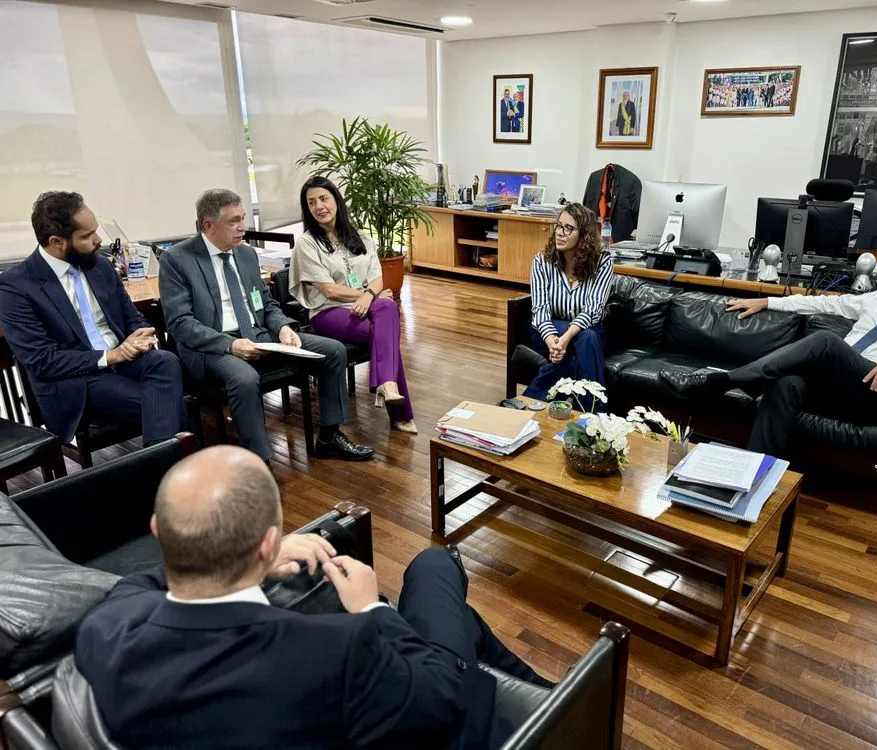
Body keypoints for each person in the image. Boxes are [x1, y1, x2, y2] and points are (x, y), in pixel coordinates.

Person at [75, 445, 554, 750]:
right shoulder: (337, 652)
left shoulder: (107, 629)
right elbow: (443, 698)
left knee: (458, 613)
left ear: (159, 532)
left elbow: (138, 585)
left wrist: (254, 562)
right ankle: (564, 704)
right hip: (445, 710)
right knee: (434, 567)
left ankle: (552, 694)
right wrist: (371, 610)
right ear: (267, 542)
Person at [659, 240, 877, 459]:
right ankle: (755, 472)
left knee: (827, 342)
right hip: (845, 384)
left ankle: (720, 382)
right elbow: (828, 304)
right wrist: (767, 300)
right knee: (784, 384)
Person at [158, 189, 374, 463]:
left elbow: (267, 304)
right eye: (234, 221)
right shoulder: (178, 260)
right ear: (208, 226)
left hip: (260, 334)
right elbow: (180, 323)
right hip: (215, 347)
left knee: (333, 351)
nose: (242, 227)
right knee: (245, 379)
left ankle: (329, 437)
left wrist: (284, 327)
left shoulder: (246, 255)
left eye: (243, 218)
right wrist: (231, 344)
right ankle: (260, 463)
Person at [0, 191, 188, 446]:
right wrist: (111, 356)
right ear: (57, 241)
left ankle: (165, 473)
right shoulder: (16, 286)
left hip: (122, 361)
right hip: (75, 381)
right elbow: (42, 361)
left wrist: (140, 334)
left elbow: (132, 318)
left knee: (165, 360)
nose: (99, 240)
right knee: (166, 403)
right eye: (87, 236)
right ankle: (178, 469)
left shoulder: (99, 265)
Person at [289, 176, 416, 434]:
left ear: (336, 200)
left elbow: (377, 278)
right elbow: (328, 289)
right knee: (386, 334)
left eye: (323, 199)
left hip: (364, 306)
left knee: (387, 308)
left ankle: (388, 386)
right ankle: (399, 411)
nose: (319, 206)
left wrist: (368, 296)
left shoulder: (359, 237)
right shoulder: (307, 243)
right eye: (311, 202)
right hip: (327, 312)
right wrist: (365, 295)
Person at [523, 202, 614, 402]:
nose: (559, 233)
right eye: (559, 226)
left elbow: (594, 309)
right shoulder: (542, 262)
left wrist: (565, 339)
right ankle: (594, 414)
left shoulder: (603, 262)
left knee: (586, 339)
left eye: (568, 228)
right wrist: (552, 342)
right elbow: (539, 310)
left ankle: (529, 403)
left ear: (584, 235)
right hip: (549, 328)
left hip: (587, 329)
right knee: (586, 341)